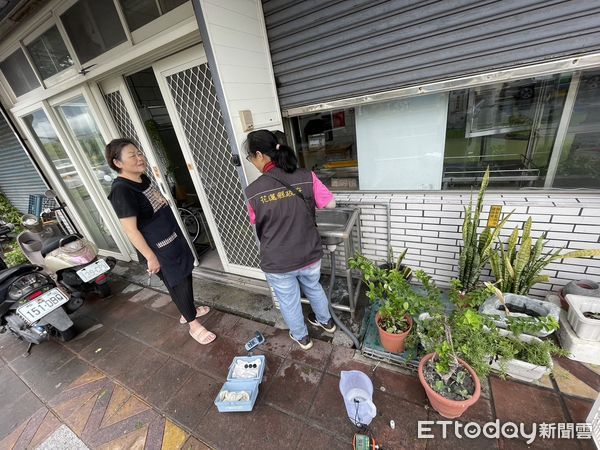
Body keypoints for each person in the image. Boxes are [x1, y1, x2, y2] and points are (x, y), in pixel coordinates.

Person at [104, 138, 216, 345]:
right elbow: (130, 230)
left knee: (185, 277)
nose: (140, 158)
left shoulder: (141, 178)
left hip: (172, 239)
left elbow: (150, 198)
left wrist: (158, 197)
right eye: (132, 156)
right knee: (177, 283)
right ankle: (193, 324)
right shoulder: (122, 190)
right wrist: (150, 257)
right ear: (117, 163)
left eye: (139, 153)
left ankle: (188, 310)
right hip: (158, 249)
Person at [244, 129, 337, 350]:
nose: (251, 162)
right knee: (313, 287)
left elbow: (254, 221)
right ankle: (327, 322)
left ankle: (302, 337)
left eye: (250, 158)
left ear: (260, 155)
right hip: (309, 252)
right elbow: (330, 204)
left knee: (289, 300)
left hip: (278, 260)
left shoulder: (253, 191)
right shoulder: (306, 176)